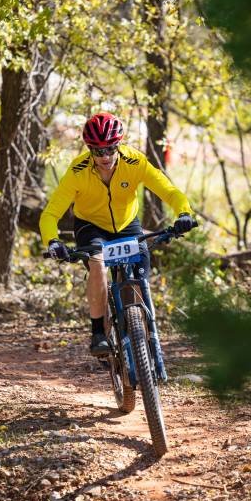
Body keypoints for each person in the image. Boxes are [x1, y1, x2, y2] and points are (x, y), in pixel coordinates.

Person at [39, 112, 194, 356]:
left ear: (119, 145)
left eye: (111, 149)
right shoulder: (78, 171)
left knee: (138, 282)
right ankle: (98, 332)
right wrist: (52, 241)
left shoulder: (135, 162)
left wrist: (184, 213)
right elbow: (50, 214)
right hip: (91, 226)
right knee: (98, 263)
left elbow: (170, 191)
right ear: (89, 149)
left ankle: (141, 338)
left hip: (126, 224)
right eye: (98, 151)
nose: (105, 156)